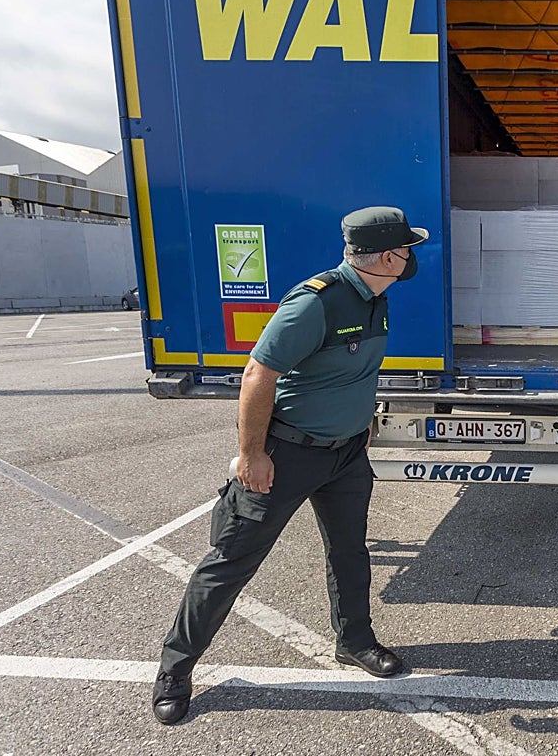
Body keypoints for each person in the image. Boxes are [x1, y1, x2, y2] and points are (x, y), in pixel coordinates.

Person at [152, 206, 429, 725]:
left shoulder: (376, 297)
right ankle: (175, 671)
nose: (412, 257)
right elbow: (258, 372)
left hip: (346, 454)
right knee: (230, 561)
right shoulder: (316, 302)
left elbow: (351, 372)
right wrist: (252, 453)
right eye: (407, 249)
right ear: (389, 256)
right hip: (287, 455)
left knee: (349, 550)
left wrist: (360, 420)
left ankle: (355, 641)